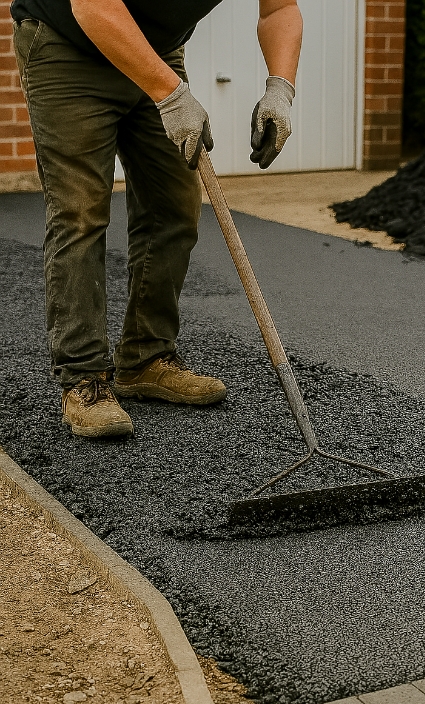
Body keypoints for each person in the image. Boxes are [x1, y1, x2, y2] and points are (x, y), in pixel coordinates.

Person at [10, 0, 303, 438]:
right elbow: (95, 7)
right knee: (81, 212)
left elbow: (279, 9)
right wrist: (171, 94)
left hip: (155, 52)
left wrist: (281, 89)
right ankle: (83, 379)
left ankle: (144, 358)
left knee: (175, 207)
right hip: (68, 48)